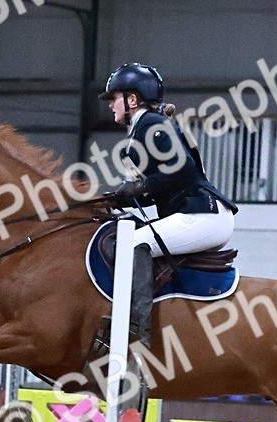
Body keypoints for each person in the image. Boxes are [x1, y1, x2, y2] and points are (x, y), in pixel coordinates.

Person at [99, 63, 238, 345]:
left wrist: (141, 187)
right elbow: (158, 186)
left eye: (114, 99)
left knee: (133, 243)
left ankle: (137, 327)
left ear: (132, 100)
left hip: (202, 214)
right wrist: (118, 196)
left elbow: (181, 168)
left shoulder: (149, 123)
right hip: (198, 213)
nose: (111, 105)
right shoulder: (143, 129)